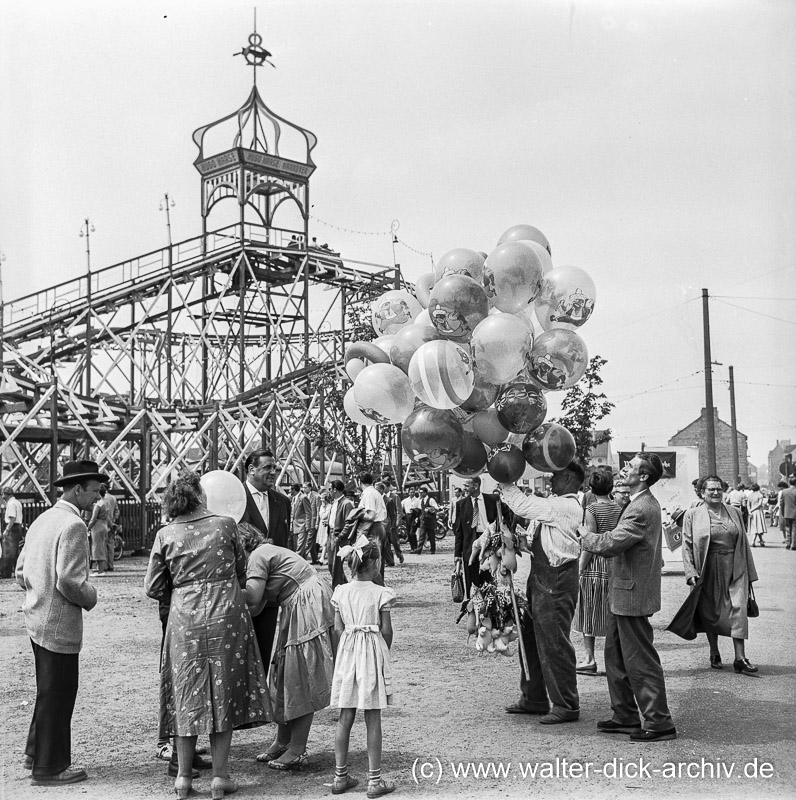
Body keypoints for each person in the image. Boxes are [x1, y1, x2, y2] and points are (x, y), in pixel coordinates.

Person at [145, 471, 271, 800]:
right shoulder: (226, 525)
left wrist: (181, 589)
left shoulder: (166, 534)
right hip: (226, 617)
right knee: (223, 692)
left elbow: (152, 586)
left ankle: (183, 779)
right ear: (201, 494)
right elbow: (241, 571)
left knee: (186, 695)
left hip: (184, 621)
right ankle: (220, 778)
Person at [15, 460, 105, 785]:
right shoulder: (74, 525)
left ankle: (34, 753)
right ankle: (50, 768)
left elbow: (18, 571)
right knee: (61, 693)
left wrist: (36, 591)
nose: (97, 498)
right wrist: (91, 595)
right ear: (78, 489)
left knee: (47, 691)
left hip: (36, 617)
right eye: (94, 492)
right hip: (59, 625)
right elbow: (69, 580)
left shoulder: (43, 519)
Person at [579, 452, 676, 742]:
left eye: (631, 466)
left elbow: (610, 543)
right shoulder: (638, 503)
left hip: (631, 595)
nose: (624, 469)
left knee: (640, 660)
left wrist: (583, 533)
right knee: (616, 657)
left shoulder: (641, 508)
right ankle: (625, 715)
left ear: (643, 476)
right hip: (622, 592)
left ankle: (659, 722)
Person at [499, 462, 585, 724]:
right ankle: (534, 696)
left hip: (556, 581)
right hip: (542, 578)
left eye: (556, 475)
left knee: (554, 644)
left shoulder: (565, 505)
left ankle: (566, 704)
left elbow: (523, 505)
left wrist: (503, 477)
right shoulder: (555, 505)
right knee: (531, 640)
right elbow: (542, 538)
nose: (550, 479)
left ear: (570, 478)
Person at [243, 541, 336, 772]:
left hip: (306, 602)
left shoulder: (257, 555)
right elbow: (256, 608)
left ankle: (297, 749)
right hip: (298, 602)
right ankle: (283, 741)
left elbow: (253, 598)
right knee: (284, 672)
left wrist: (223, 587)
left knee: (299, 675)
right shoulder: (264, 554)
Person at [330, 535, 396, 798]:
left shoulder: (341, 591)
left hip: (348, 652)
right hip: (370, 653)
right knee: (372, 716)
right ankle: (374, 781)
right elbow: (387, 631)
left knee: (345, 716)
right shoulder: (380, 593)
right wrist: (380, 651)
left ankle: (339, 777)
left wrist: (347, 648)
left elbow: (336, 628)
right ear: (375, 564)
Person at [681, 475, 759, 675]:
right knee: (711, 611)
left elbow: (744, 543)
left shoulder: (734, 512)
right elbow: (687, 546)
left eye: (719, 489)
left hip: (735, 565)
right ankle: (714, 651)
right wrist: (691, 572)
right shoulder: (692, 514)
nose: (715, 492)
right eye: (710, 489)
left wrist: (750, 572)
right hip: (707, 567)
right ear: (702, 492)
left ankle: (740, 658)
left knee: (738, 608)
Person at [240, 449, 291, 675]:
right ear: (251, 470)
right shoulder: (234, 498)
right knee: (238, 652)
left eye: (275, 467)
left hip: (270, 593)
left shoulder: (283, 502)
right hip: (242, 590)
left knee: (263, 650)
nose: (274, 472)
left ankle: (261, 704)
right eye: (267, 467)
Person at [574, 469, 622, 675]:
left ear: (591, 489)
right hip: (614, 563)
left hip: (595, 565)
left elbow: (590, 542)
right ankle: (614, 662)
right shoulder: (619, 509)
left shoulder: (591, 510)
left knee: (588, 613)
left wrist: (580, 567)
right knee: (611, 614)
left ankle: (589, 658)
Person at [453, 477, 506, 599]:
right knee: (471, 580)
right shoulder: (461, 504)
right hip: (469, 545)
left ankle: (490, 609)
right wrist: (457, 554)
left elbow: (507, 514)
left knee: (488, 579)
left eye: (467, 485)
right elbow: (459, 530)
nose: (464, 488)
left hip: (489, 543)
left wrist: (504, 532)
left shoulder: (492, 500)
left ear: (476, 486)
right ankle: (473, 609)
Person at [358, 473, 388, 571]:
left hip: (372, 527)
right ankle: (378, 583)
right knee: (377, 559)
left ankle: (375, 583)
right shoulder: (375, 492)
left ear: (360, 482)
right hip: (378, 526)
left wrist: (357, 515)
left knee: (371, 558)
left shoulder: (369, 493)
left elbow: (371, 515)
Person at [328, 480, 355, 588]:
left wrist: (340, 537)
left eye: (330, 489)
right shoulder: (334, 502)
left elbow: (349, 523)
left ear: (335, 490)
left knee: (336, 565)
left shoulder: (346, 503)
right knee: (331, 565)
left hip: (339, 537)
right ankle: (344, 586)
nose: (329, 491)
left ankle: (337, 588)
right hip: (331, 534)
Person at [1, 486, 25, 578]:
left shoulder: (11, 504)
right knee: (15, 551)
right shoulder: (17, 502)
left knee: (8, 551)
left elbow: (12, 518)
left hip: (12, 527)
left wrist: (7, 530)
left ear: (5, 494)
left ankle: (5, 573)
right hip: (18, 527)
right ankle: (16, 571)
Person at [86, 485, 110, 575]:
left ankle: (100, 570)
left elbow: (93, 519)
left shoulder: (98, 505)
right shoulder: (106, 502)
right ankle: (101, 568)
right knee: (102, 547)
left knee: (96, 547)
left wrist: (88, 528)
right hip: (104, 525)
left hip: (97, 527)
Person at [290, 483, 313, 559]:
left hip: (302, 525)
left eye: (290, 489)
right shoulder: (293, 498)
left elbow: (308, 512)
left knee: (299, 547)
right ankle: (303, 563)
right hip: (295, 526)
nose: (289, 491)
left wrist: (308, 525)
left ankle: (297, 564)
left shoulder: (303, 498)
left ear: (294, 490)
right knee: (298, 546)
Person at [415, 487, 438, 555]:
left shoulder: (431, 500)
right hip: (423, 521)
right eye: (419, 493)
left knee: (431, 536)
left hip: (430, 520)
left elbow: (436, 508)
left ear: (425, 493)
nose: (420, 494)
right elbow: (419, 510)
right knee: (421, 536)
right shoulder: (421, 501)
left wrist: (429, 509)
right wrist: (417, 517)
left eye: (421, 493)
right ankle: (419, 550)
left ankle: (433, 550)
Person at [303, 480, 321, 564]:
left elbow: (318, 510)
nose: (304, 489)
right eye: (303, 487)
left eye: (305, 487)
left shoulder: (316, 496)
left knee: (308, 541)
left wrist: (317, 522)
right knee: (312, 542)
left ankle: (303, 558)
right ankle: (315, 559)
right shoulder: (303, 496)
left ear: (310, 488)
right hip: (306, 522)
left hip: (313, 522)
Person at [102, 485, 119, 571]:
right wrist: (113, 521)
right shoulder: (113, 498)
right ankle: (110, 565)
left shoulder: (101, 499)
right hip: (111, 523)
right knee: (110, 545)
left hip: (102, 523)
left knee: (103, 545)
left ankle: (104, 565)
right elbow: (116, 511)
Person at [780, 475, 796, 549]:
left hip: (786, 513)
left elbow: (781, 503)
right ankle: (793, 545)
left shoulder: (784, 491)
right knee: (794, 529)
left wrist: (782, 512)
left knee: (787, 528)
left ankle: (788, 543)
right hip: (795, 513)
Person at [316, 489, 331, 566]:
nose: (321, 500)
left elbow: (325, 516)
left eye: (322, 498)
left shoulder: (329, 506)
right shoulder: (322, 506)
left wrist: (324, 509)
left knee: (325, 542)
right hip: (322, 525)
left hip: (326, 525)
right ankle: (325, 558)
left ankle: (322, 558)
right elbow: (321, 516)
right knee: (323, 542)